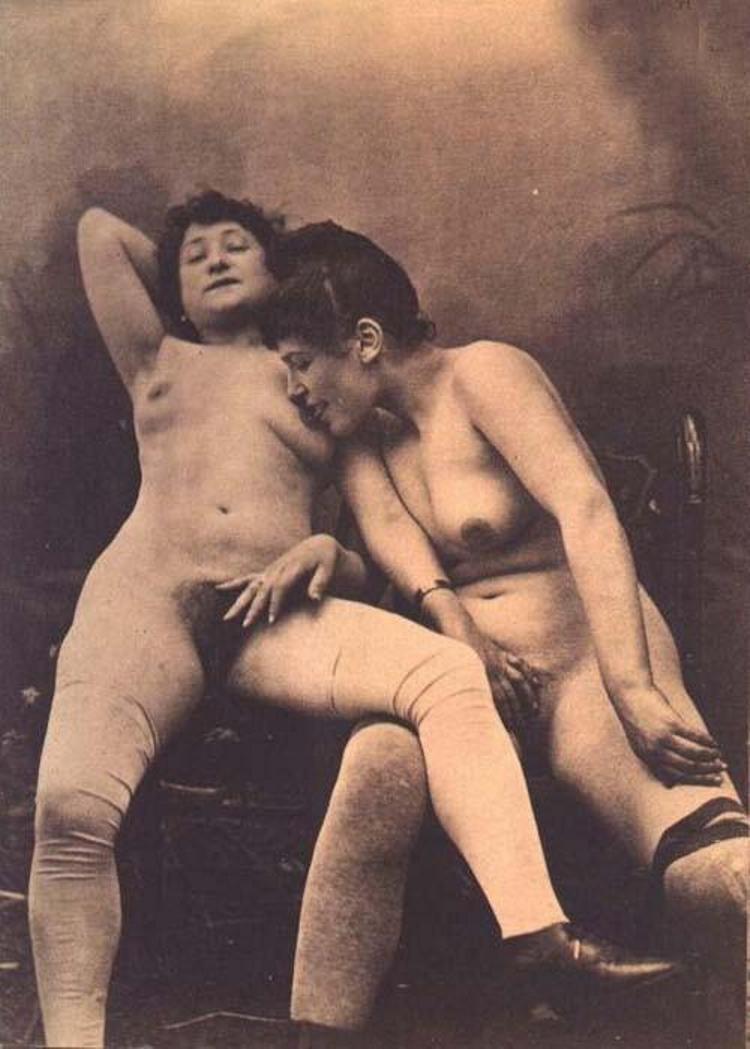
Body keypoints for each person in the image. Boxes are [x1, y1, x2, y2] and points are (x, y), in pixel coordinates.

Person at [28, 192, 675, 1049]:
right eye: (196, 255)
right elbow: (97, 233)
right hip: (145, 600)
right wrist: (188, 281)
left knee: (449, 671)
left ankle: (538, 936)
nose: (216, 258)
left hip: (270, 613)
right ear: (173, 291)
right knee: (70, 810)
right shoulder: (158, 357)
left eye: (237, 246)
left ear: (281, 273)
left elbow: (377, 546)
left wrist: (324, 554)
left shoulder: (319, 382)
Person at [237, 219, 748, 1029]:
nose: (295, 389)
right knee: (375, 764)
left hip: (586, 667)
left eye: (300, 362)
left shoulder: (486, 375)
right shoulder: (359, 439)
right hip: (466, 694)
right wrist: (458, 631)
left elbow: (587, 510)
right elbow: (411, 565)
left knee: (718, 879)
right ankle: (319, 1036)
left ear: (364, 341)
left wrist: (632, 688)